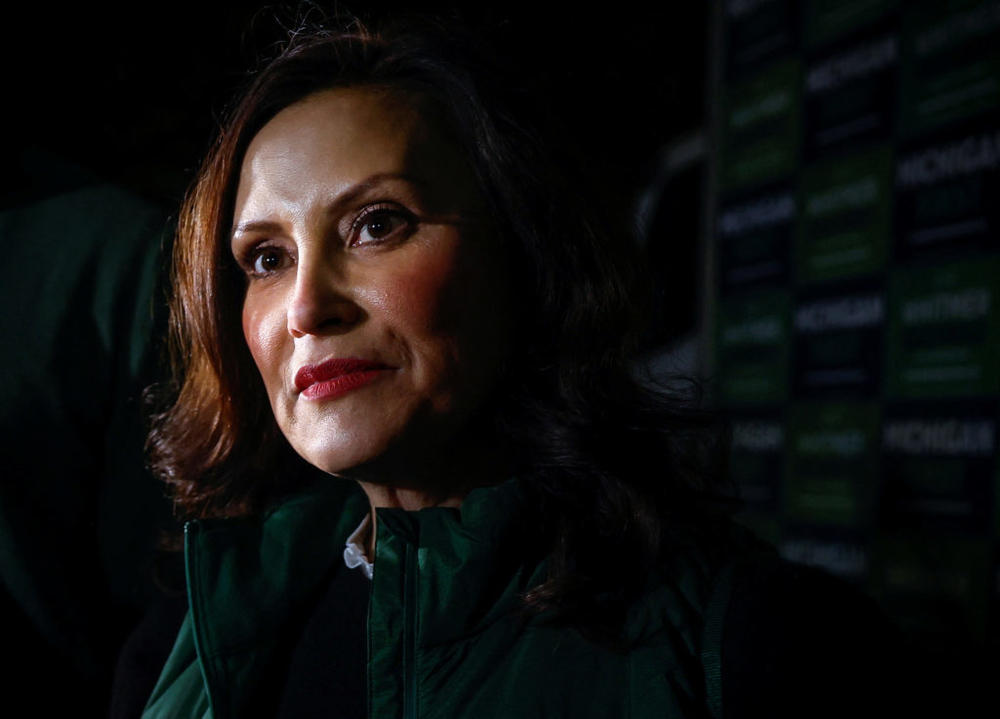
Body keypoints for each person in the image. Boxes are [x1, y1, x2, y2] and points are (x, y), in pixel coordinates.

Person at [115, 15, 908, 719]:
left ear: (524, 256)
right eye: (266, 258)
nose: (305, 307)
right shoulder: (196, 635)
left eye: (377, 224)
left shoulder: (760, 645)